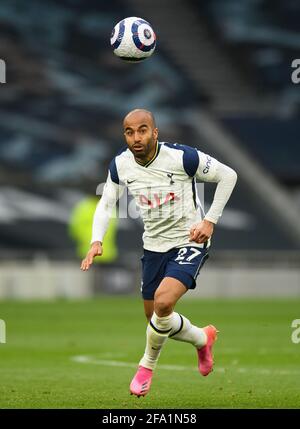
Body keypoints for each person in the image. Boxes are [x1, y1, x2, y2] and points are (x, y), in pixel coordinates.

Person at [81, 109, 237, 397]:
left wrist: (209, 221)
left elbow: (228, 176)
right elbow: (105, 204)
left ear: (155, 132)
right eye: (129, 132)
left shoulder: (183, 157)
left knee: (164, 303)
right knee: (156, 318)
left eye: (142, 130)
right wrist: (96, 240)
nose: (136, 137)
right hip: (153, 246)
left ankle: (146, 367)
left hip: (190, 240)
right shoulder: (120, 165)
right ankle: (203, 339)